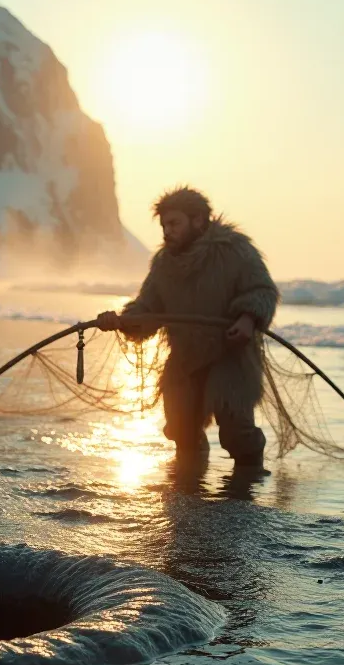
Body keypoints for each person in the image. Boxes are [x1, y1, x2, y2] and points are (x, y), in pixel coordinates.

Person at [96, 186, 278, 466]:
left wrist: (247, 319)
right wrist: (121, 321)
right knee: (182, 433)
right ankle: (190, 490)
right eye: (164, 225)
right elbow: (147, 308)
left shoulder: (235, 250)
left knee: (236, 435)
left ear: (198, 220)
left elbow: (263, 291)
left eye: (174, 223)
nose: (167, 231)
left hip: (231, 358)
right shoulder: (164, 263)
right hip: (185, 360)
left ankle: (248, 488)